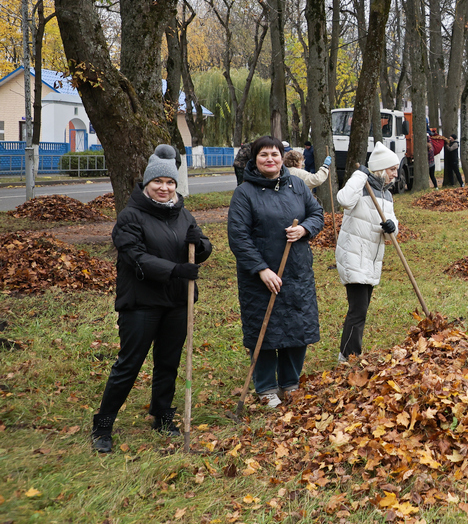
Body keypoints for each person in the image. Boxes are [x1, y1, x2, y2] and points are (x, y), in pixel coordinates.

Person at [91, 145, 213, 453]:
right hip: (142, 303)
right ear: (147, 184)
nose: (164, 187)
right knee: (129, 364)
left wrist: (200, 246)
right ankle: (103, 425)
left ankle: (161, 415)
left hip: (176, 303)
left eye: (170, 182)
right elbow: (136, 258)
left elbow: (203, 246)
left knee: (168, 363)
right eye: (158, 182)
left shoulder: (183, 214)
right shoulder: (130, 217)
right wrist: (176, 269)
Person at [228, 136, 325, 408]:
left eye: (275, 154)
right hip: (261, 277)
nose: (270, 159)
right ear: (254, 160)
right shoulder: (244, 193)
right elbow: (238, 237)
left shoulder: (296, 185)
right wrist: (261, 270)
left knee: (297, 327)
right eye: (263, 155)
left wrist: (305, 229)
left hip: (296, 270)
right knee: (265, 330)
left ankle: (290, 383)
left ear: (283, 157)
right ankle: (266, 387)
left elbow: (317, 213)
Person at [336, 142, 400, 360]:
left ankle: (348, 353)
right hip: (354, 255)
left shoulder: (386, 194)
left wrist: (392, 227)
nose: (395, 174)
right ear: (381, 168)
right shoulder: (360, 188)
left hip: (371, 259)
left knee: (360, 310)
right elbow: (343, 200)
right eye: (392, 169)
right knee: (358, 310)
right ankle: (349, 356)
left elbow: (391, 227)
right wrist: (359, 176)